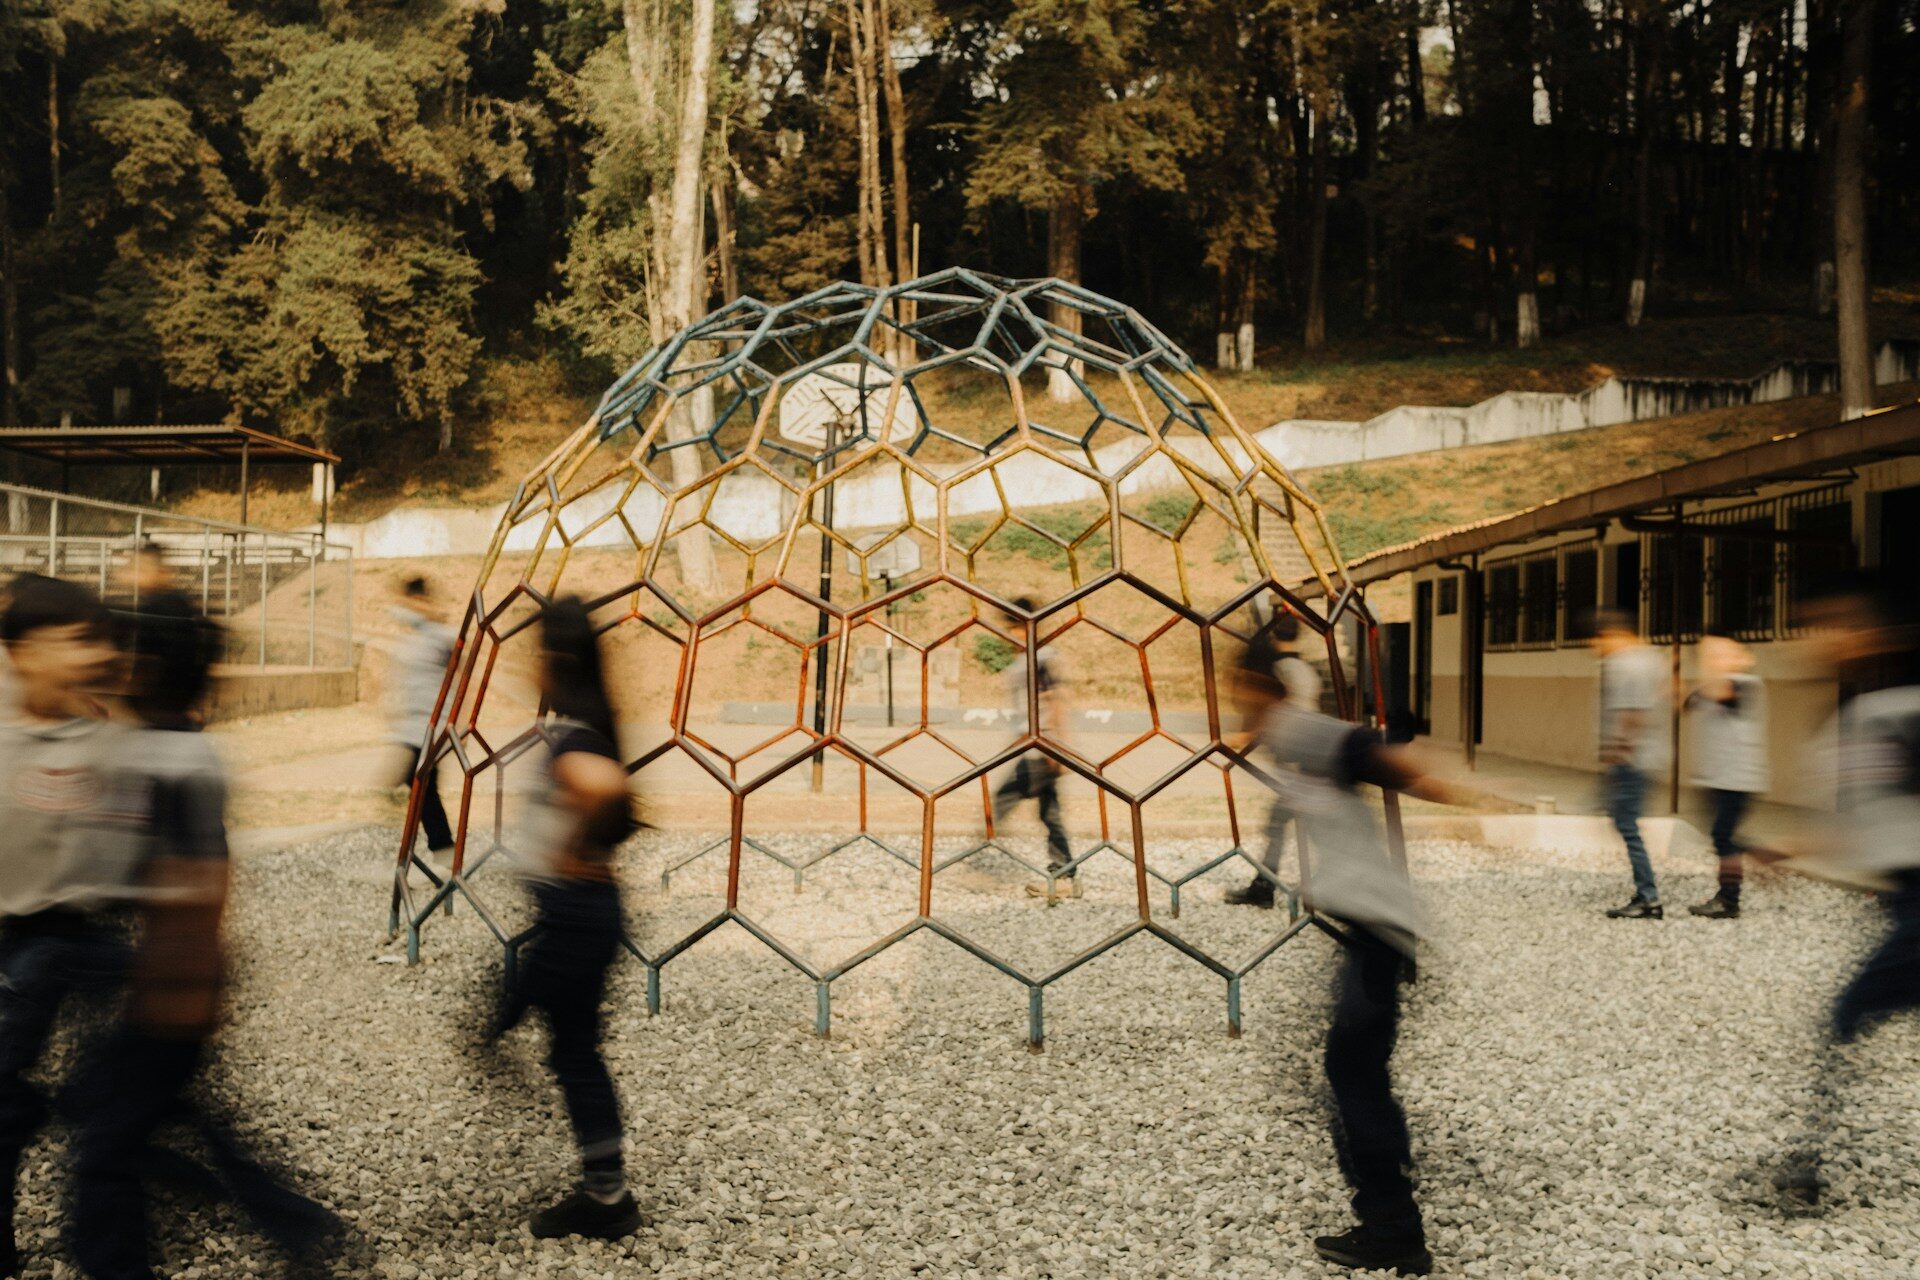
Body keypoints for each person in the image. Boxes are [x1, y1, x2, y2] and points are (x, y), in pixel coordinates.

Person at [68, 594, 339, 1278]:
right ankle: (292, 1219)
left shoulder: (173, 761)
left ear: (150, 667)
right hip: (166, 978)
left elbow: (200, 882)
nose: (113, 665)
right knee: (152, 1108)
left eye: (125, 653)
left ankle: (126, 1261)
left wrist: (117, 896)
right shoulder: (174, 747)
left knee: (103, 1148)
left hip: (168, 981)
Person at [1234, 622, 1488, 1277]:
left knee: (1354, 1077)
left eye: (1230, 685)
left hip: (1380, 927)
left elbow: (1370, 753)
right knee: (1352, 1072)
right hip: (1368, 925)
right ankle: (1388, 1213)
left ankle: (1394, 1228)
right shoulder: (1278, 732)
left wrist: (1449, 789)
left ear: (1254, 685)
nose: (1224, 697)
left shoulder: (1297, 727)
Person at [1763, 575, 1920, 1207]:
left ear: (1866, 633)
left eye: (1830, 624)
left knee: (1848, 1014)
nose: (1816, 640)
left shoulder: (1875, 711)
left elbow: (1856, 824)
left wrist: (1782, 848)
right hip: (1906, 900)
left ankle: (1809, 1161)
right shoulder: (1874, 707)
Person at [494, 597, 639, 1239]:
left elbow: (608, 787)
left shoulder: (577, 737)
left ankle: (608, 1201)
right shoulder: (588, 723)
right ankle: (606, 1194)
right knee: (573, 1049)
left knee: (557, 1044)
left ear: (554, 661)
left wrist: (574, 846)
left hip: (576, 917)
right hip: (578, 916)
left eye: (534, 655)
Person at [0, 576, 131, 1278]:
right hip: (17, 941)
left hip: (88, 934)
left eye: (100, 642)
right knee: (4, 1096)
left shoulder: (102, 733)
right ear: (22, 653)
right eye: (79, 641)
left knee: (133, 1079)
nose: (96, 655)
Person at [1226, 610, 1321, 908]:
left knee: (1282, 824)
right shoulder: (1306, 670)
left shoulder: (1280, 672)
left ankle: (1264, 887)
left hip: (1296, 762)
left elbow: (1276, 713)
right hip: (1308, 759)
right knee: (1294, 824)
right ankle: (1266, 886)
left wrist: (1245, 737)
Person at [990, 597, 1076, 899]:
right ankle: (1065, 875)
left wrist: (1057, 746)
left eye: (1012, 626)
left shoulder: (1040, 658)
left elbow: (1055, 700)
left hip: (1040, 747)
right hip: (1031, 746)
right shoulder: (1025, 658)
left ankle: (981, 869)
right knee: (1050, 812)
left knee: (1000, 803)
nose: (1008, 633)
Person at [1682, 632, 1769, 918]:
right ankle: (1761, 856)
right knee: (1721, 836)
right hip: (1714, 777)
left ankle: (1729, 900)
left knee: (1723, 837)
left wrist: (1711, 663)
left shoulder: (1746, 684)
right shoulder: (1710, 686)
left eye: (1727, 653)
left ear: (1746, 658)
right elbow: (1688, 703)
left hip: (1737, 778)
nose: (1718, 660)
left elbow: (1722, 692)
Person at [1591, 609, 1671, 919]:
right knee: (1621, 819)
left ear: (1612, 634)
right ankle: (1646, 894)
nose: (1598, 648)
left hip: (1633, 759)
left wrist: (1617, 751)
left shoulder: (1628, 663)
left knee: (1625, 823)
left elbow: (1633, 713)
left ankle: (1648, 897)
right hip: (1643, 757)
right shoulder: (1652, 658)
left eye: (1598, 640)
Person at [390, 576, 457, 855]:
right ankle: (440, 851)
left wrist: (457, 722)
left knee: (420, 784)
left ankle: (442, 852)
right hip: (413, 726)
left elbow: (459, 673)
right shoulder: (415, 639)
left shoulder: (443, 636)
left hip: (433, 724)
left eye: (408, 602)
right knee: (421, 786)